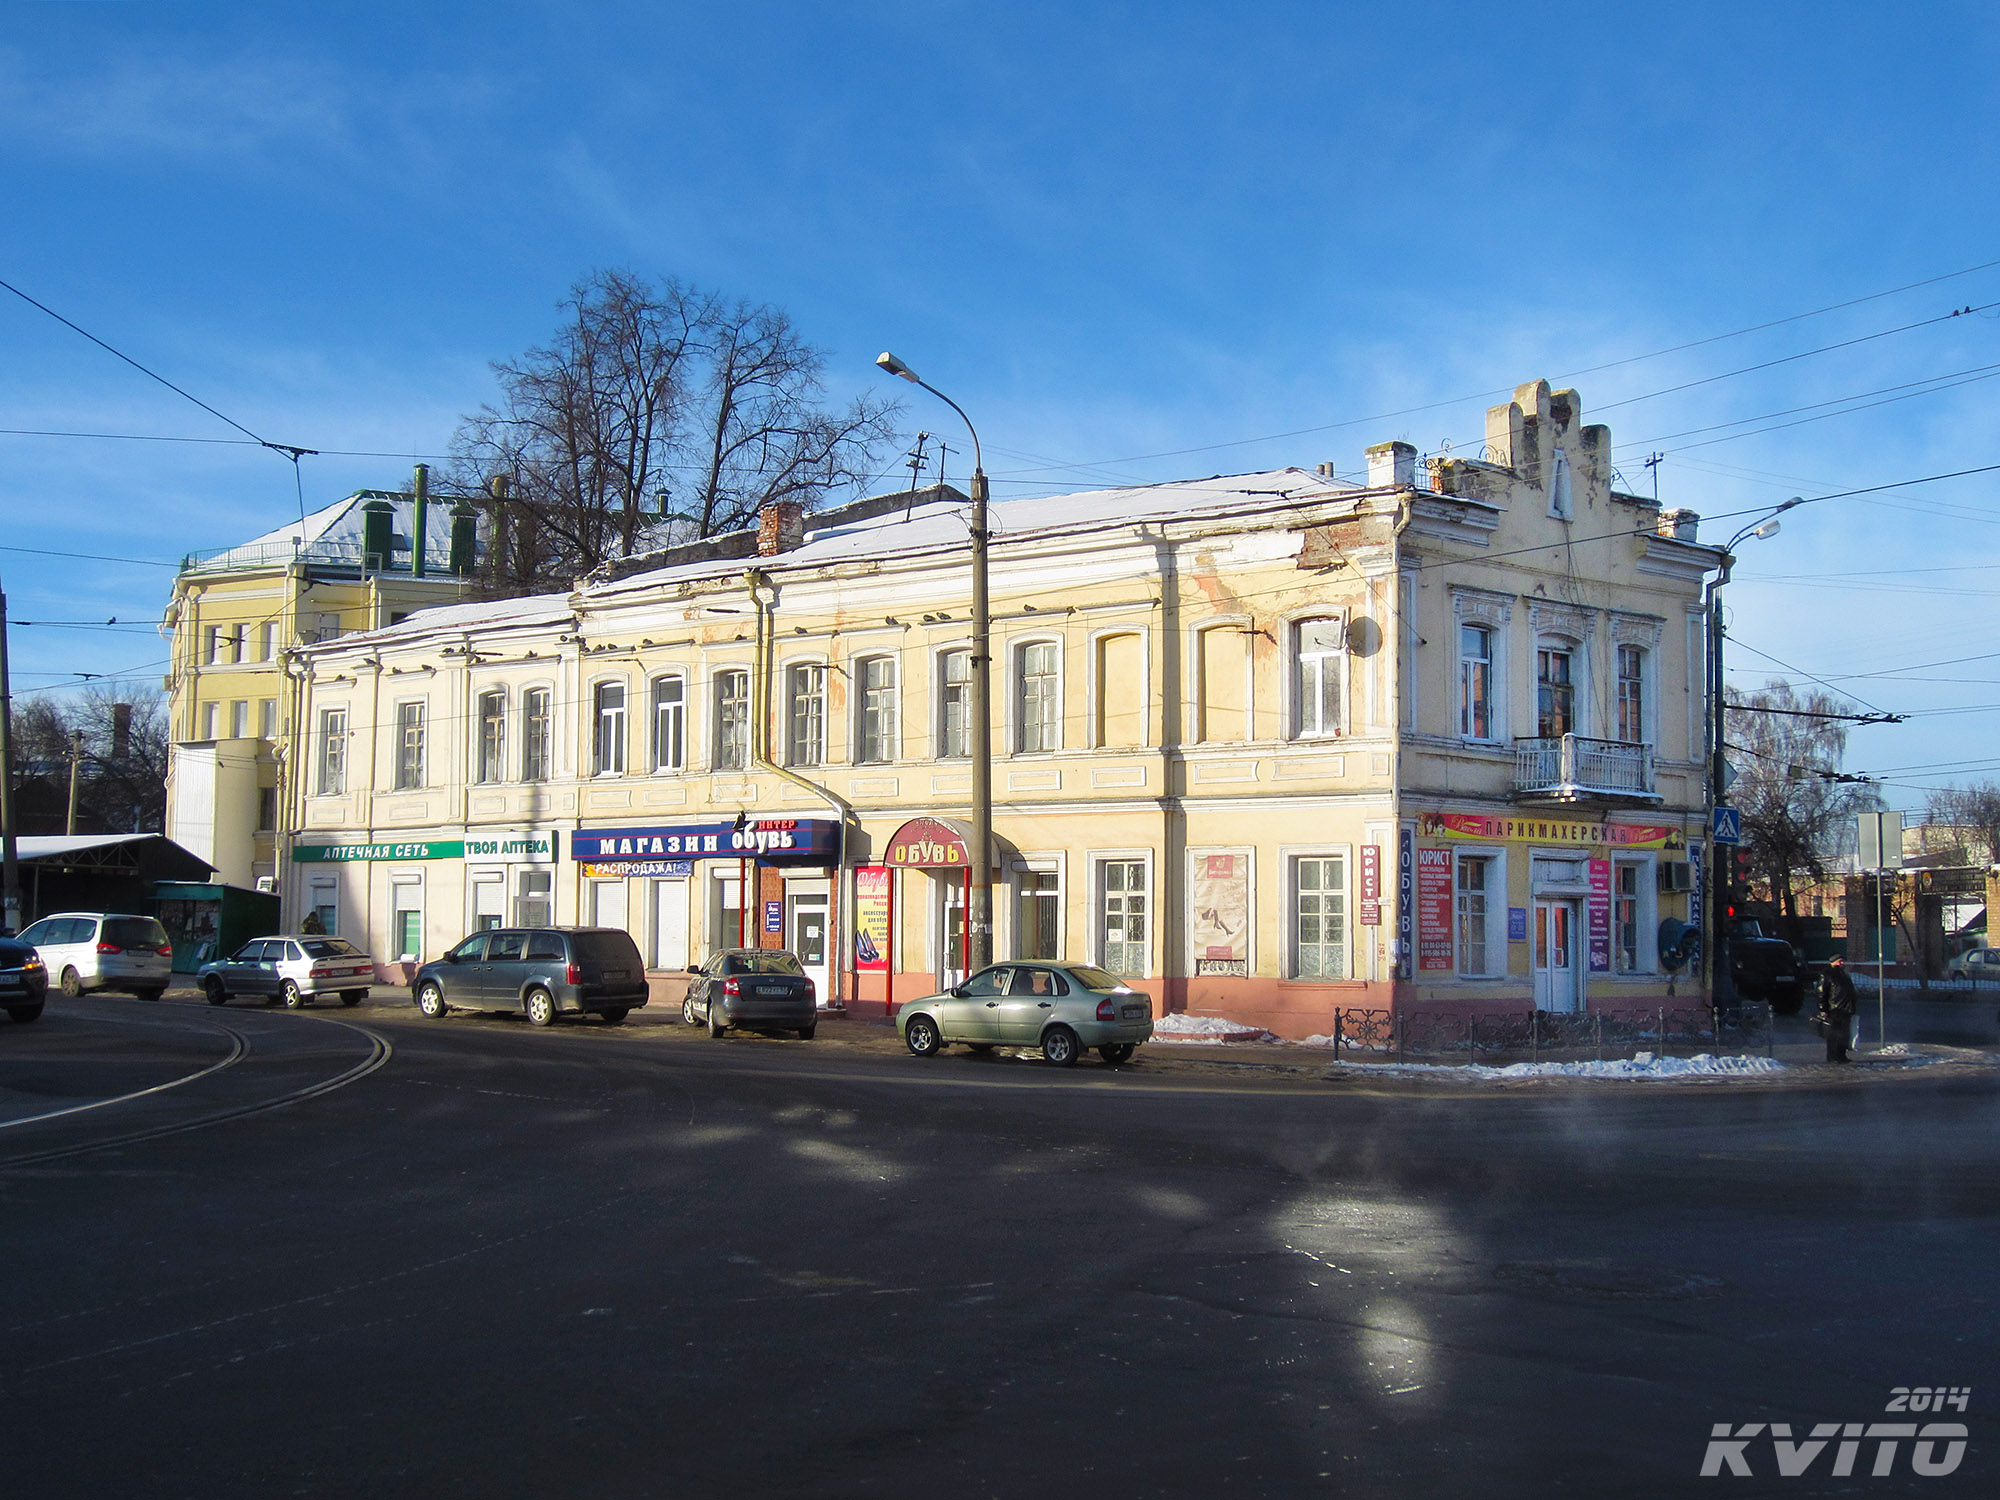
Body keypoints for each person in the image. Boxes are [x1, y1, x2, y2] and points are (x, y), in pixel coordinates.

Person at [1817, 956, 1858, 1063]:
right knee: (1834, 1035)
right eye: (1839, 961)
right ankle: (1833, 1057)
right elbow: (1822, 992)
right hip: (1834, 1009)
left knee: (1844, 1035)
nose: (1842, 963)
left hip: (1846, 1009)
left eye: (1842, 961)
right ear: (1833, 962)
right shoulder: (1827, 974)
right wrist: (1823, 1008)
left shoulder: (1844, 974)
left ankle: (1842, 1055)